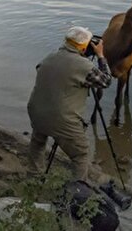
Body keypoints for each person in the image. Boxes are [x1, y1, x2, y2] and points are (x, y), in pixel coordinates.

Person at [27, 26, 112, 181]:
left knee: (38, 143)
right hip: (62, 120)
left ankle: (34, 179)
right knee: (80, 154)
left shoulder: (49, 57)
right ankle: (78, 192)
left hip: (36, 112)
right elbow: (106, 81)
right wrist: (100, 56)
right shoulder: (84, 66)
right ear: (84, 46)